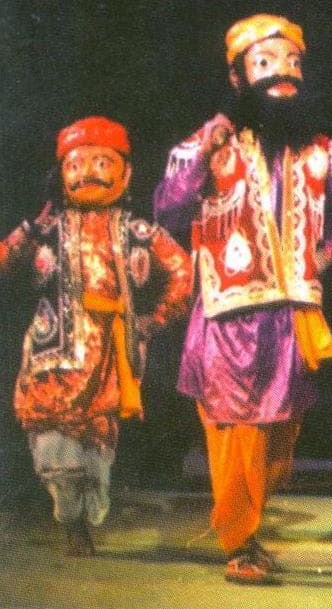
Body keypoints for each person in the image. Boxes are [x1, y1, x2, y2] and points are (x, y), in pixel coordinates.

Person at [154, 14, 332, 584]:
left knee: (280, 438)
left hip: (294, 313)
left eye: (293, 62)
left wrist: (321, 258)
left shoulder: (322, 150)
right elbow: (168, 210)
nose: (283, 74)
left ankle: (246, 528)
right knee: (237, 432)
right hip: (231, 314)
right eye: (266, 63)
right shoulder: (204, 146)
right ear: (237, 77)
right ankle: (240, 542)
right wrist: (208, 145)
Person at [3, 117, 192, 556]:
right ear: (60, 175)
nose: (87, 173)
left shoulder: (136, 231)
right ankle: (70, 520)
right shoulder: (45, 230)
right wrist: (28, 228)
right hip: (52, 356)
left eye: (101, 163)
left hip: (111, 356)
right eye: (75, 165)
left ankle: (84, 518)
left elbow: (183, 272)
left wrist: (153, 321)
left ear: (125, 173)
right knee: (53, 448)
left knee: (96, 452)